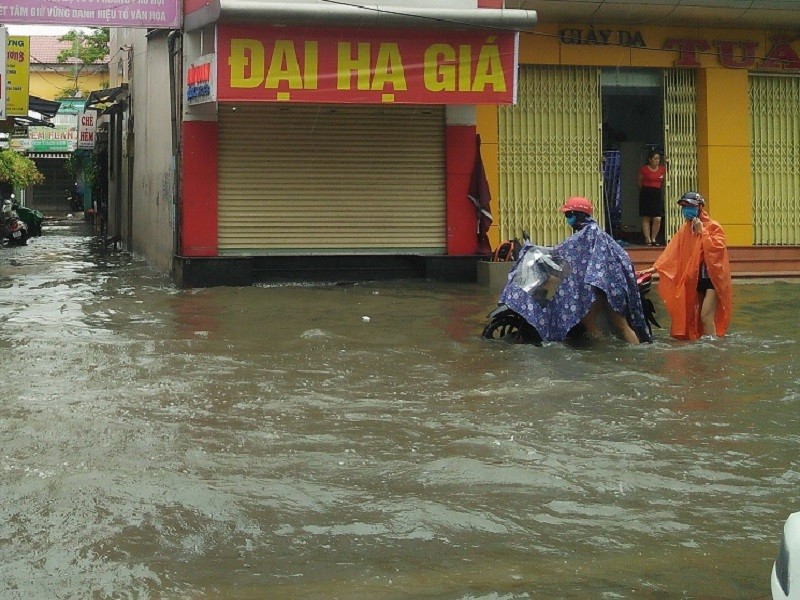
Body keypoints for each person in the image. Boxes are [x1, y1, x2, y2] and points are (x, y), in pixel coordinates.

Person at [499, 196, 650, 344]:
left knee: (589, 321)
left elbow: (559, 251)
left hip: (602, 287)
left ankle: (603, 354)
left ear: (577, 215)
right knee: (621, 325)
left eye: (569, 215)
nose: (567, 218)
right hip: (611, 284)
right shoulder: (593, 230)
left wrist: (531, 249)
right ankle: (632, 353)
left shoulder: (586, 234)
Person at [650, 191, 732, 340]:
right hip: (696, 278)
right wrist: (655, 268)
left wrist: (703, 232)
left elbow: (717, 250)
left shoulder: (713, 226)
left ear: (700, 207)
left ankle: (714, 349)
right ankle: (703, 345)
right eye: (684, 207)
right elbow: (672, 251)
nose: (686, 210)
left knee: (706, 316)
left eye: (690, 206)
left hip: (713, 278)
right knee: (694, 316)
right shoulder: (685, 229)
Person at [638, 150, 666, 246]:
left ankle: (654, 238)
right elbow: (639, 181)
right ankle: (648, 239)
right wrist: (645, 189)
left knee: (657, 218)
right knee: (646, 217)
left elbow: (662, 182)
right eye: (655, 159)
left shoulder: (662, 169)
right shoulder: (644, 169)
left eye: (658, 159)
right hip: (646, 193)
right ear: (650, 159)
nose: (657, 161)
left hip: (657, 193)